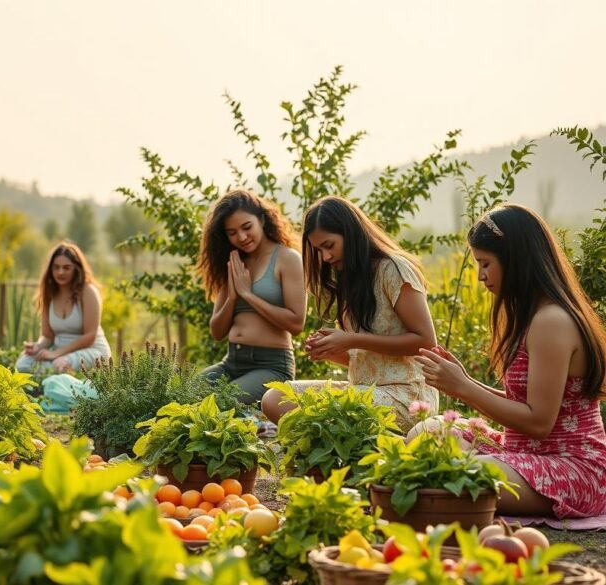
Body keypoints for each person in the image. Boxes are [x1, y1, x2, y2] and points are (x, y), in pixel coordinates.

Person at [413, 205, 606, 518]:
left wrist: (463, 388)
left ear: (516, 260)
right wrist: (466, 380)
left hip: (574, 469)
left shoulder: (552, 322)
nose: (480, 276)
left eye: (485, 263)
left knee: (461, 475)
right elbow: (526, 405)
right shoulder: (531, 317)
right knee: (428, 432)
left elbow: (538, 423)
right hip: (522, 454)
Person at [261, 196, 438, 432]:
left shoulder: (394, 269)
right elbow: (367, 359)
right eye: (318, 250)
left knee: (334, 412)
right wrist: (334, 351)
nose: (325, 257)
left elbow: (426, 342)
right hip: (363, 391)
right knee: (275, 398)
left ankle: (335, 457)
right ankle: (332, 457)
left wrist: (351, 339)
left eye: (329, 245)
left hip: (406, 395)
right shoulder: (351, 279)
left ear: (350, 233)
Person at [197, 189, 306, 405]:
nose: (242, 237)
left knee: (218, 403)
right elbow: (217, 331)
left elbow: (296, 324)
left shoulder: (287, 259)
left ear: (262, 220)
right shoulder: (234, 263)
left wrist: (248, 294)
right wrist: (233, 296)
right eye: (232, 232)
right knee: (178, 394)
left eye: (247, 227)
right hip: (231, 362)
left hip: (271, 366)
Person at [16, 242, 111, 374]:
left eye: (67, 268)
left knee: (58, 365)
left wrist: (55, 354)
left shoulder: (88, 291)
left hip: (92, 350)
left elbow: (90, 336)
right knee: (23, 363)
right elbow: (47, 336)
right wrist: (37, 347)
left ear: (76, 269)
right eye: (56, 267)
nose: (61, 272)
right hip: (58, 354)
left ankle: (46, 385)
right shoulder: (49, 294)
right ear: (51, 270)